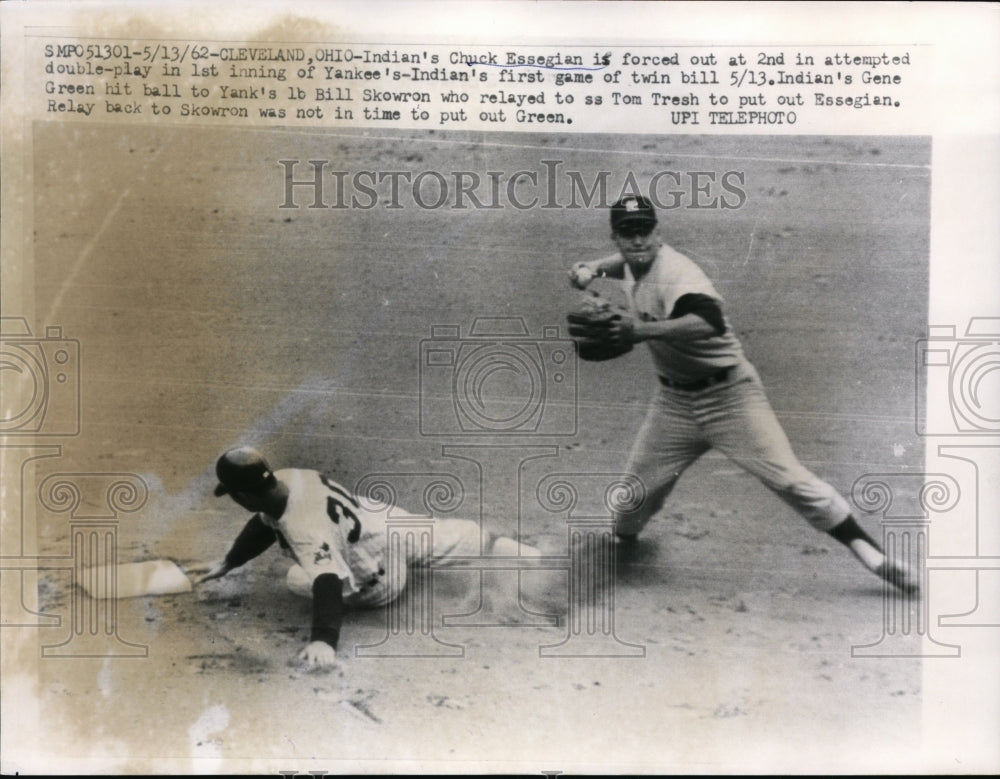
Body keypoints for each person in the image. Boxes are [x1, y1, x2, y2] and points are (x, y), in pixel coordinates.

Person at [568, 195, 917, 593]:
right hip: (674, 406)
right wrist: (594, 268)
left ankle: (874, 556)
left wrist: (639, 331)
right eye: (628, 233)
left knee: (790, 481)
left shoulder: (680, 274)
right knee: (629, 504)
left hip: (730, 398)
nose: (638, 241)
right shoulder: (631, 260)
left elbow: (708, 322)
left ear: (658, 233)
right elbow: (626, 264)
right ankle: (624, 552)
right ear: (616, 236)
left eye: (644, 230)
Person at [197, 446, 542, 669]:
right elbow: (263, 522)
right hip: (385, 528)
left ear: (242, 494)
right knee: (455, 534)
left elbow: (327, 580)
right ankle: (537, 559)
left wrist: (323, 640)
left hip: (379, 580)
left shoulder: (303, 526)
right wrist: (230, 561)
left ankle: (389, 583)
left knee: (298, 578)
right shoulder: (288, 478)